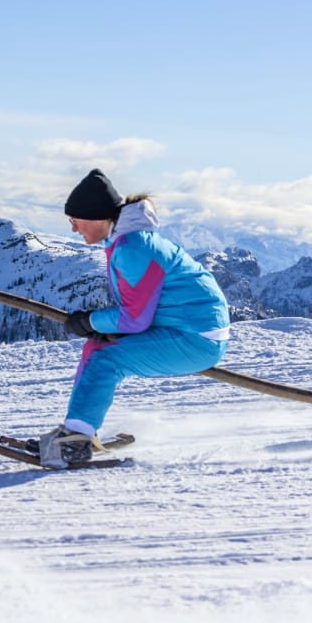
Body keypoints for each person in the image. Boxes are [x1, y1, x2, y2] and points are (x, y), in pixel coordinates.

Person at [38, 169, 231, 467]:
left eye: (75, 219)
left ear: (97, 216)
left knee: (106, 359)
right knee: (96, 349)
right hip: (184, 329)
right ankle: (76, 429)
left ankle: (75, 440)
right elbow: (140, 311)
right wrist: (98, 327)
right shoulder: (127, 242)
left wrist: (89, 321)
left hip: (196, 338)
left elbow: (134, 319)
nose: (73, 228)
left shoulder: (133, 248)